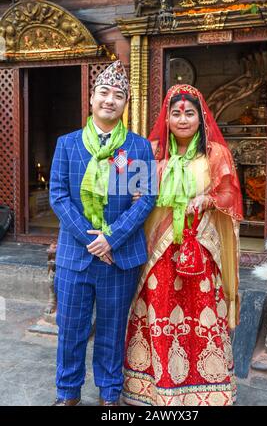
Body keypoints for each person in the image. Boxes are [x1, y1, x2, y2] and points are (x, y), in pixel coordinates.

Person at [123, 84, 243, 407]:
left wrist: (207, 198)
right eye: (176, 112)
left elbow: (230, 195)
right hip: (158, 253)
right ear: (167, 116)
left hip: (199, 249)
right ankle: (149, 387)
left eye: (190, 113)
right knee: (158, 313)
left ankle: (207, 388)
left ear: (201, 117)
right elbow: (130, 194)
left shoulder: (216, 154)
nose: (183, 119)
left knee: (199, 315)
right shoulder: (151, 150)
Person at [49, 60, 156, 406]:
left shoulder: (138, 148)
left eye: (119, 95)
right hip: (75, 256)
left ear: (126, 104)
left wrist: (111, 239)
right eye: (104, 93)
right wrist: (91, 240)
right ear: (92, 99)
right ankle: (68, 393)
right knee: (71, 331)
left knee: (112, 330)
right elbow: (58, 196)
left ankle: (110, 394)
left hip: (119, 257)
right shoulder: (67, 144)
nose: (110, 100)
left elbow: (146, 199)